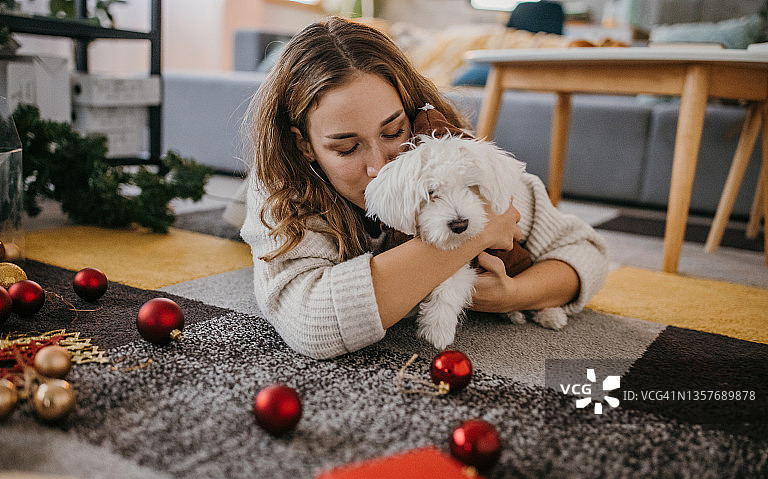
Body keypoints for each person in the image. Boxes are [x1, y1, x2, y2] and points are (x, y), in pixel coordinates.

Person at [240, 16, 608, 359]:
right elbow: (311, 323)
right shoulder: (280, 188)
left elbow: (584, 253)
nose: (380, 167)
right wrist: (477, 235)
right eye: (347, 147)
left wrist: (512, 295)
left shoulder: (445, 155)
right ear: (305, 144)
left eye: (392, 131)